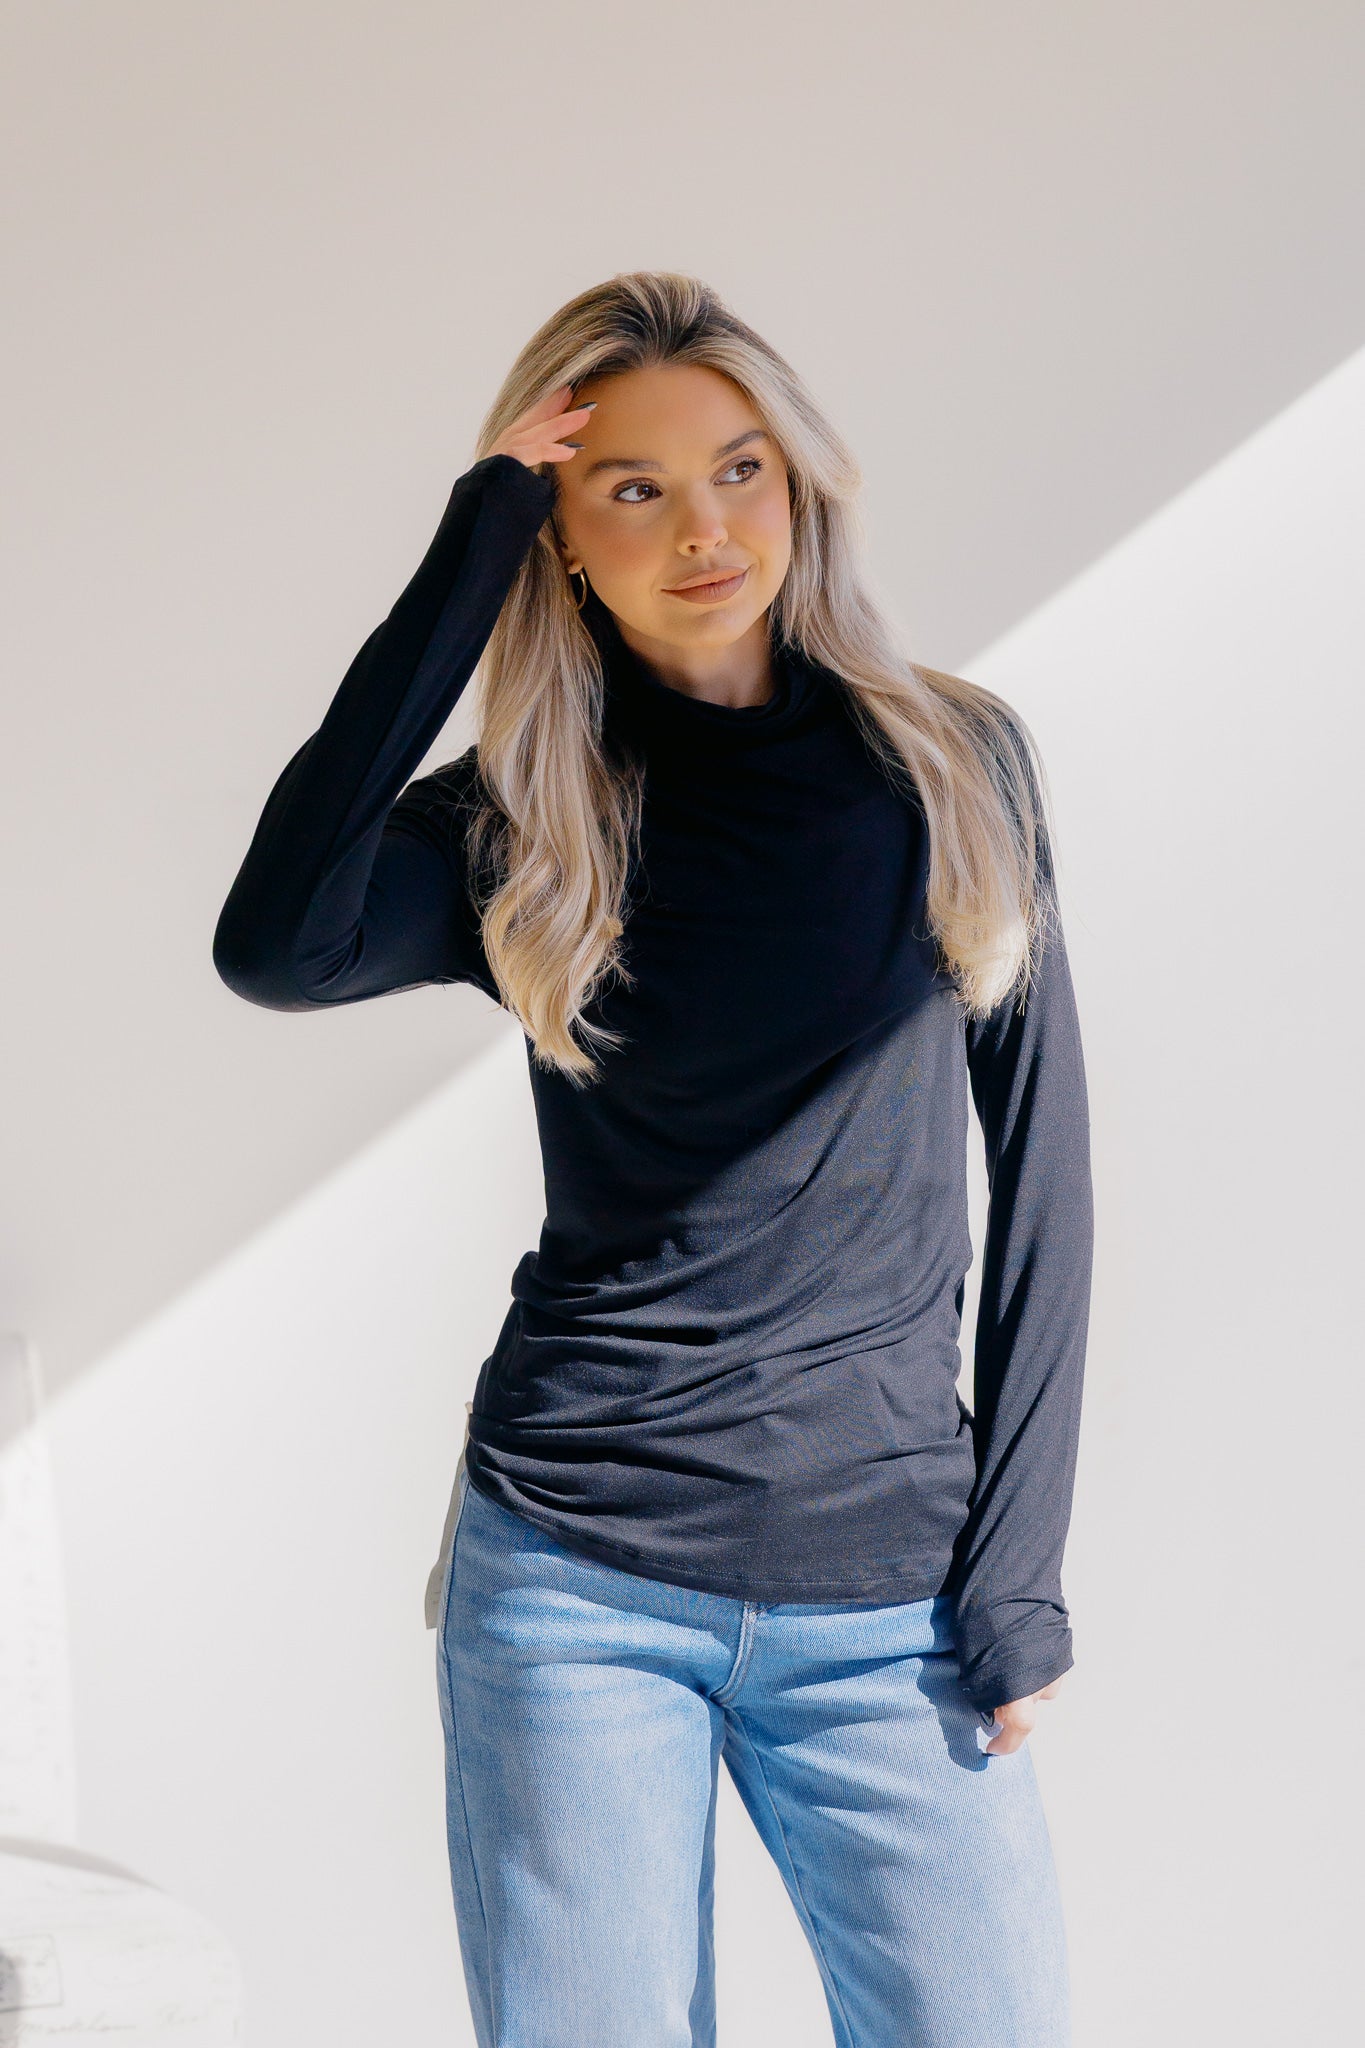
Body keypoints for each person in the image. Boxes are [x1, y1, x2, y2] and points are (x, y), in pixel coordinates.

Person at [213, 270, 1093, 2048]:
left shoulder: (950, 762)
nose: (704, 527)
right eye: (628, 486)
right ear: (558, 531)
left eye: (740, 468)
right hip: (576, 1590)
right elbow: (271, 946)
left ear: (800, 483)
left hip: (891, 1601)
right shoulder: (523, 823)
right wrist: (469, 543)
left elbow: (1044, 1195)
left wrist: (1012, 1578)